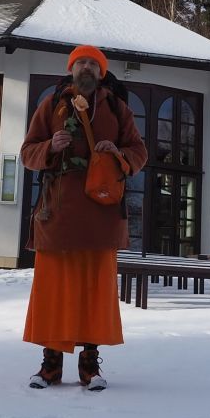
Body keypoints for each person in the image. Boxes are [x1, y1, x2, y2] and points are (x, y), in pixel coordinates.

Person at [20, 45, 147, 391]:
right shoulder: (51, 106)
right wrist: (50, 147)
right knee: (54, 290)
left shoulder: (118, 109)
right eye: (81, 63)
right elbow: (27, 153)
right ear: (72, 68)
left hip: (100, 214)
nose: (87, 68)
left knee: (95, 291)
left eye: (93, 63)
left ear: (102, 72)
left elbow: (139, 152)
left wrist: (118, 154)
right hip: (57, 213)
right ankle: (51, 365)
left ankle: (89, 365)